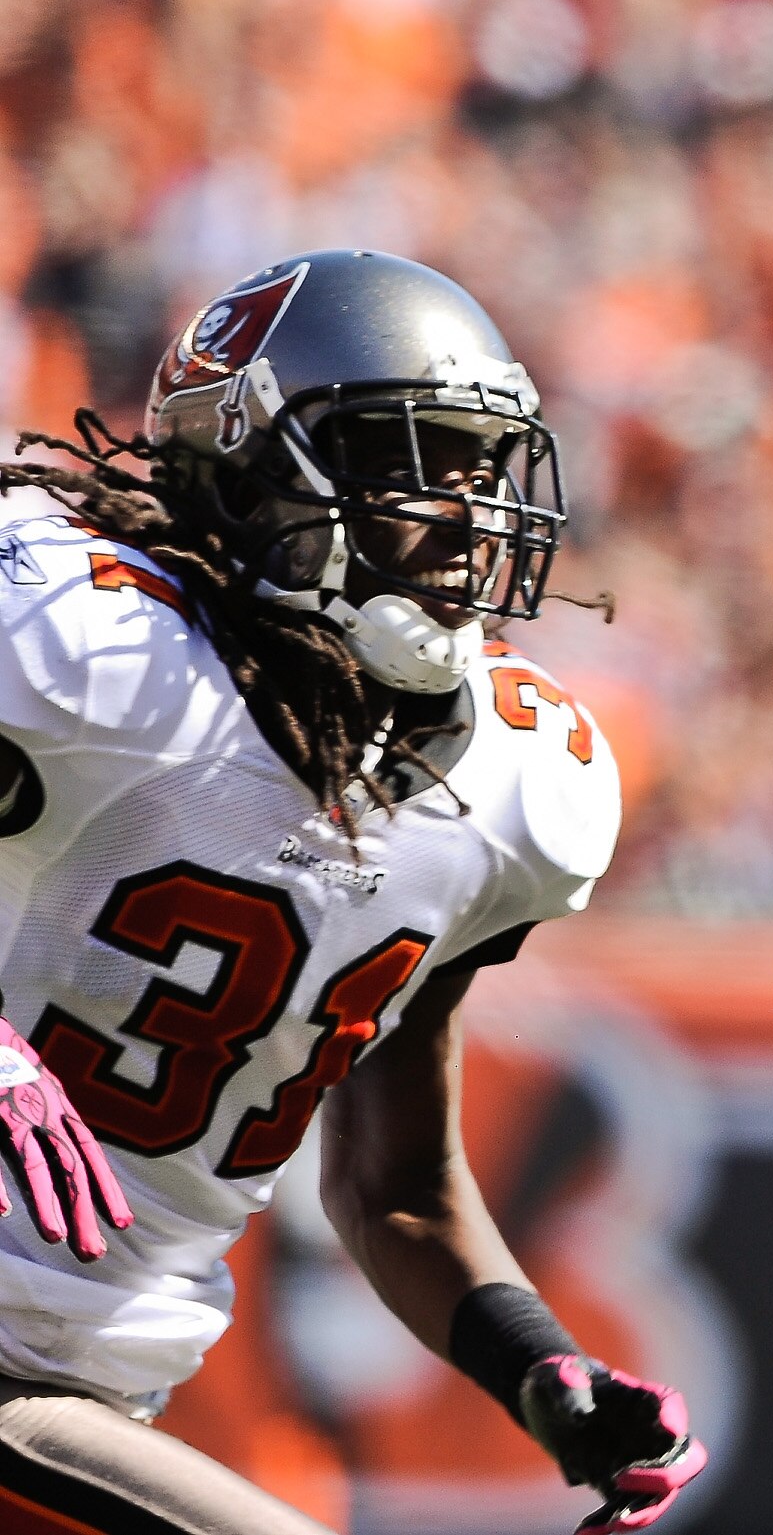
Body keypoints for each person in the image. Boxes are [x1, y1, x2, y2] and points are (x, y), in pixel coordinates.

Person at [0, 251, 705, 1534]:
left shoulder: (507, 790)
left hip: (82, 1392)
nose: (470, 519)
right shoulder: (77, 642)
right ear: (250, 467)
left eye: (485, 474)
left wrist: (535, 1367)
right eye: (411, 463)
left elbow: (395, 1188)